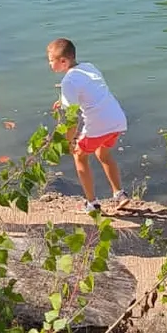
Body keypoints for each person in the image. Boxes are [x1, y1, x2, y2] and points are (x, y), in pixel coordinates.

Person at [47, 38, 129, 214]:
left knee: (79, 156)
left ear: (63, 61)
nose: (49, 64)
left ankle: (92, 203)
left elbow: (72, 119)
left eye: (51, 60)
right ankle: (119, 194)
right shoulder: (89, 67)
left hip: (98, 125)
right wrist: (62, 100)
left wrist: (68, 142)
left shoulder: (68, 81)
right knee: (103, 153)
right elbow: (91, 90)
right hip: (117, 119)